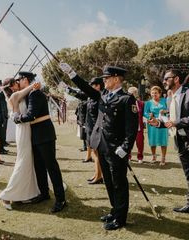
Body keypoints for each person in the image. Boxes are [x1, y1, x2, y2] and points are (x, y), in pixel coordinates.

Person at [59, 63, 138, 230]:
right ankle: (114, 210)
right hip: (101, 146)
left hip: (117, 150)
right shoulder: (103, 95)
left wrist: (125, 148)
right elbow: (86, 89)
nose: (105, 81)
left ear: (116, 79)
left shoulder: (126, 99)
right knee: (108, 182)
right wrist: (72, 73)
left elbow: (132, 129)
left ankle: (120, 218)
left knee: (119, 183)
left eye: (107, 78)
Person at [14, 71, 66, 213]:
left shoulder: (35, 93)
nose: (18, 82)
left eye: (20, 79)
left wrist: (17, 118)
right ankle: (44, 193)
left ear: (26, 79)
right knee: (39, 166)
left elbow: (31, 115)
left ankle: (61, 199)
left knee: (51, 167)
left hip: (44, 134)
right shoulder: (30, 93)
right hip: (36, 135)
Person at [148, 69, 189, 213]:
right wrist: (157, 123)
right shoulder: (170, 98)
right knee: (188, 172)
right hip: (180, 140)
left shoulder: (188, 92)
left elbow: (177, 121)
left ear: (176, 79)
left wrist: (176, 122)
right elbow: (169, 121)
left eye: (167, 78)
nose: (164, 81)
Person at [0, 78, 41, 210]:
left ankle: (22, 195)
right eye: (17, 81)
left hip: (26, 128)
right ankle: (6, 195)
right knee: (23, 160)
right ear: (12, 86)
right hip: (23, 130)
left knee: (28, 161)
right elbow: (31, 87)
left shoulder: (17, 95)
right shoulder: (14, 95)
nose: (19, 82)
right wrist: (34, 85)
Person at [143, 86, 168, 165]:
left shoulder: (165, 100)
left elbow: (170, 109)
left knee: (163, 141)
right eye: (152, 93)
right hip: (152, 123)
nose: (154, 94)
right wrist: (149, 116)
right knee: (152, 141)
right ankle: (154, 156)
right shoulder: (148, 103)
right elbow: (145, 112)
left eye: (156, 93)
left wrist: (164, 111)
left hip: (163, 122)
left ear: (160, 93)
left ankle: (163, 158)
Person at [127, 87, 145, 163]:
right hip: (129, 127)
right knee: (128, 142)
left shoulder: (141, 103)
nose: (132, 94)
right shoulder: (126, 102)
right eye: (130, 93)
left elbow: (144, 114)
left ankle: (140, 157)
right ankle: (128, 156)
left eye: (134, 92)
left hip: (139, 127)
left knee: (140, 143)